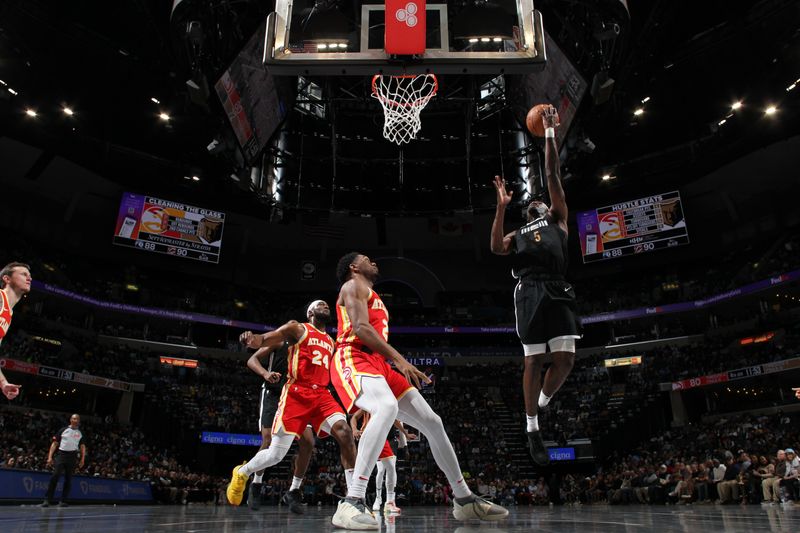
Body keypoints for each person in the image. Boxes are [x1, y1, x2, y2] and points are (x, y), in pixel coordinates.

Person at [329, 252, 508, 529]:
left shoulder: (373, 294)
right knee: (386, 407)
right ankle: (351, 501)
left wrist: (393, 363)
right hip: (353, 356)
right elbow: (362, 329)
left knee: (433, 423)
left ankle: (463, 499)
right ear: (354, 267)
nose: (374, 260)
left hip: (379, 364)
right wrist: (401, 361)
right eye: (366, 258)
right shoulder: (352, 286)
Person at [490, 106, 581, 465]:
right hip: (529, 291)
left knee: (566, 361)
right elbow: (497, 248)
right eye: (531, 204)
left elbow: (551, 173)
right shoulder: (519, 232)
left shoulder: (558, 219)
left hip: (558, 287)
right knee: (533, 360)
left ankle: (542, 401)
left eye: (539, 201)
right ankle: (532, 427)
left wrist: (548, 133)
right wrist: (500, 209)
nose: (536, 203)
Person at [226, 301, 357, 509]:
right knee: (276, 454)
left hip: (321, 395)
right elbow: (265, 339)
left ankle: (354, 499)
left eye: (326, 305)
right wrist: (252, 339)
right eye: (320, 305)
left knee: (344, 433)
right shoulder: (297, 328)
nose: (325, 306)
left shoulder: (331, 342)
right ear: (310, 312)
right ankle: (242, 472)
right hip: (296, 394)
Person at [244, 333, 315, 512]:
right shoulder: (279, 342)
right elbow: (252, 360)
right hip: (273, 395)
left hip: (295, 397)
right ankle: (256, 485)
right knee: (267, 440)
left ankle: (294, 490)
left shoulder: (309, 347)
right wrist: (266, 374)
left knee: (308, 442)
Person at [351, 408, 414, 515]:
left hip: (383, 437)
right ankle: (359, 499)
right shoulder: (369, 403)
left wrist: (405, 435)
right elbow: (354, 417)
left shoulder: (388, 403)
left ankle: (390, 502)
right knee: (366, 469)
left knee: (391, 467)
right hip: (368, 436)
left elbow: (395, 420)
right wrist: (354, 430)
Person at [0, 262, 32, 400]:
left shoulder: (8, 313)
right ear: (7, 279)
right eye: (24, 274)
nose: (29, 278)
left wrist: (3, 383)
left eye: (30, 275)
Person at [41, 413, 86, 507]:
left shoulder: (80, 432)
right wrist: (50, 457)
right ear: (70, 420)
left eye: (77, 419)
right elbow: (54, 444)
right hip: (61, 454)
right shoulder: (63, 430)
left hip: (72, 456)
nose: (75, 420)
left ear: (79, 421)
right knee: (55, 476)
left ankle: (63, 500)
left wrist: (82, 459)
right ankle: (47, 499)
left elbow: (82, 447)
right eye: (73, 419)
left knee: (68, 479)